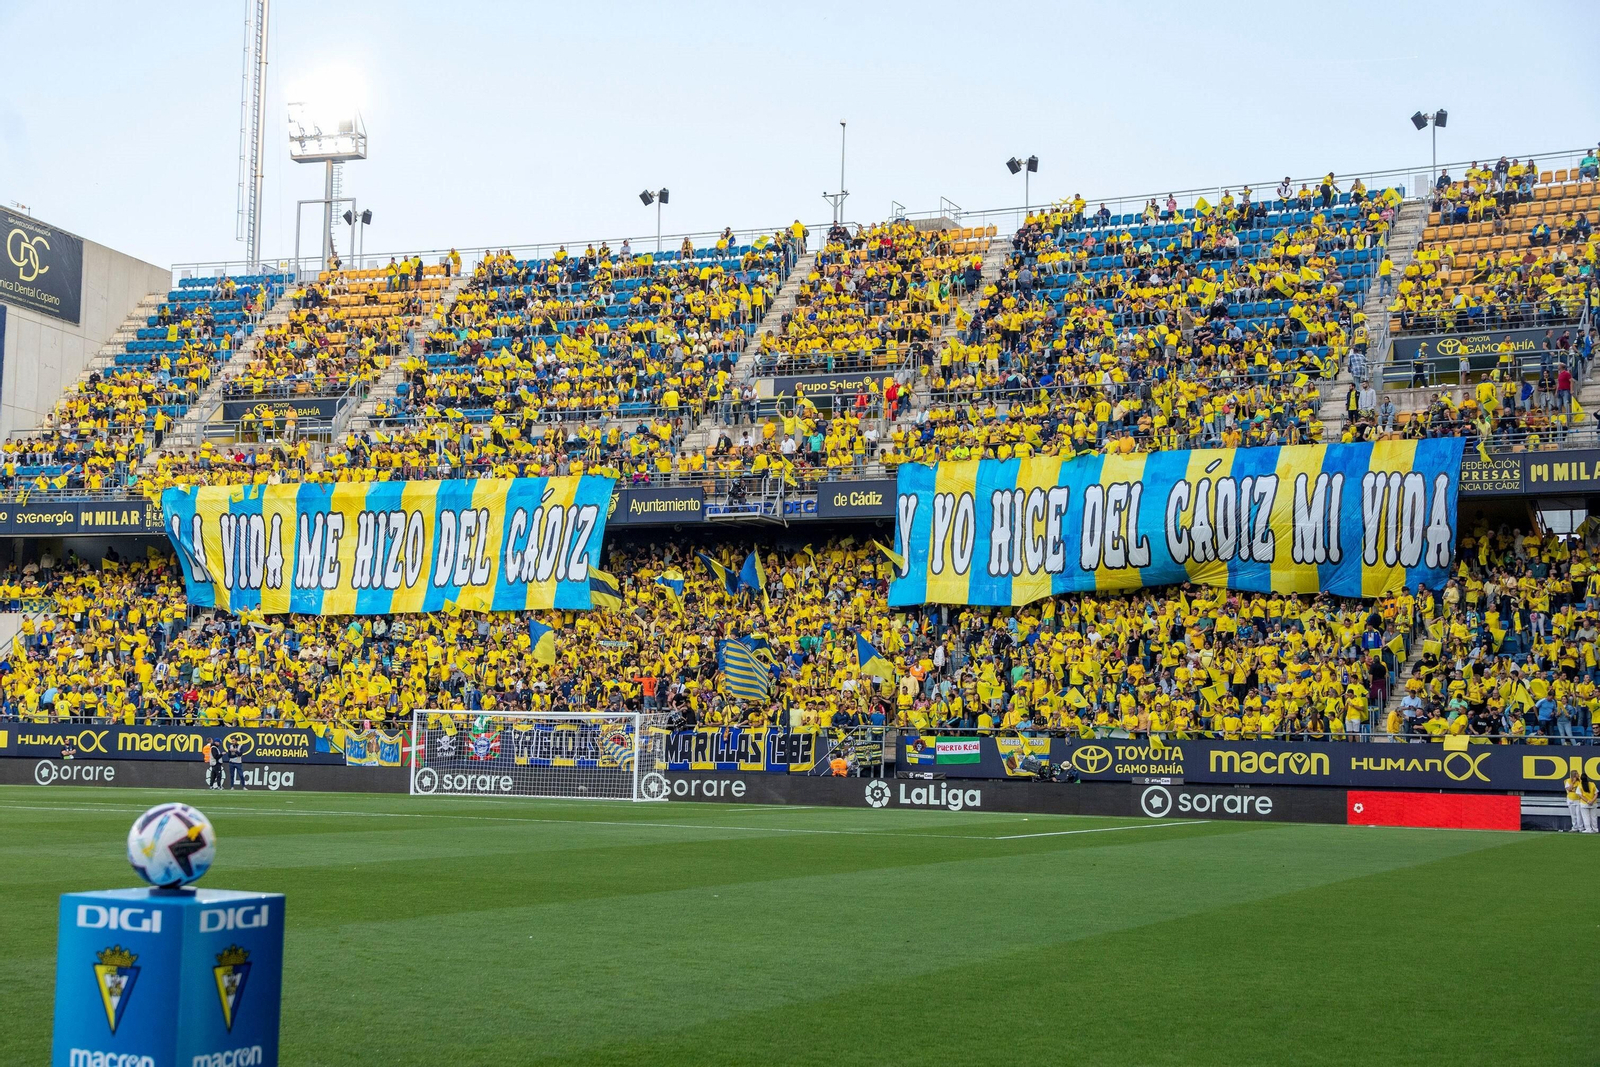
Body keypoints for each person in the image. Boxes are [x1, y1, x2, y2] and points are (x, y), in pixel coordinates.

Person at [1565, 768, 1585, 832]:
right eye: (1577, 774)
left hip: (1578, 799)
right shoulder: (1568, 781)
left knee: (1579, 814)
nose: (1578, 775)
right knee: (1573, 815)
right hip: (1571, 799)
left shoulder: (1580, 781)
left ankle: (1580, 827)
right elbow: (1569, 789)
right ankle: (1574, 827)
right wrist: (1573, 782)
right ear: (1574, 775)